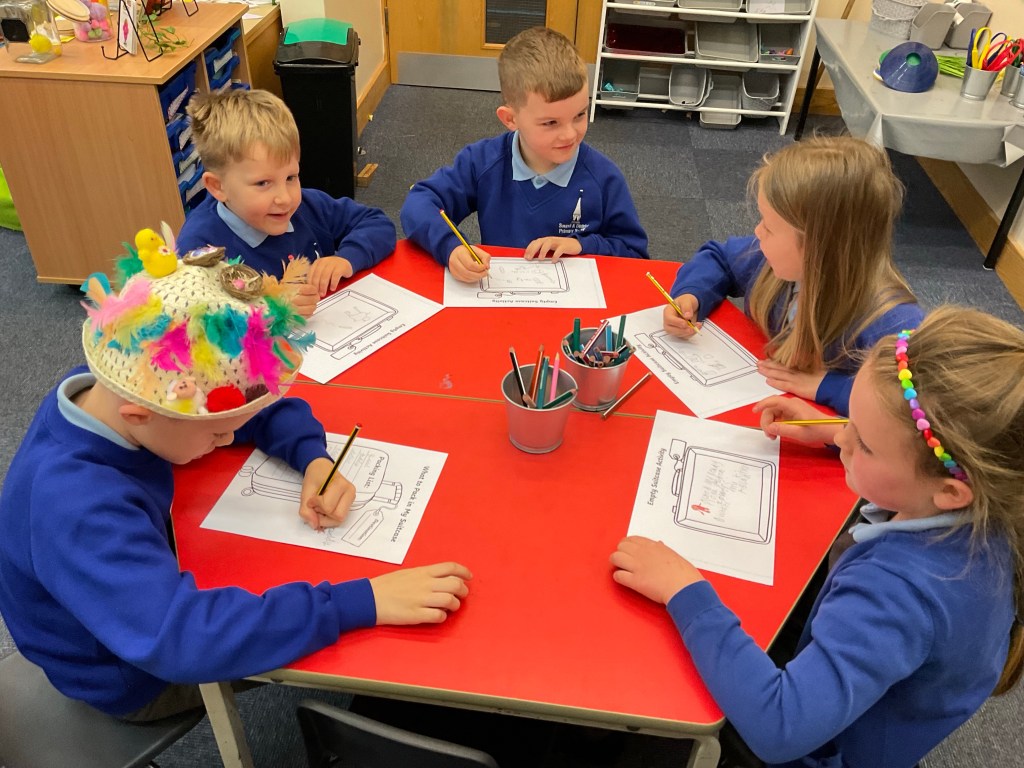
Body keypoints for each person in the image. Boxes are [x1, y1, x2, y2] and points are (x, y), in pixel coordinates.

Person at [0, 240, 470, 722]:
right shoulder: (77, 506)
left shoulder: (123, 381)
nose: (227, 438)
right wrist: (358, 603)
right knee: (376, 644)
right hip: (133, 673)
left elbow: (250, 410)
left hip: (141, 596)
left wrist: (313, 459)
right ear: (140, 415)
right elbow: (183, 641)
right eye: (215, 433)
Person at [611, 306, 1024, 768]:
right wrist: (831, 431)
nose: (844, 439)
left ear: (950, 491)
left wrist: (685, 591)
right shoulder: (990, 506)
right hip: (858, 702)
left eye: (863, 443)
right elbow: (901, 458)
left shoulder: (897, 595)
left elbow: (779, 727)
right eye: (851, 422)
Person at [663, 136, 922, 415]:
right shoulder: (771, 263)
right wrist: (691, 295)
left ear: (819, 247)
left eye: (769, 227)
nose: (758, 232)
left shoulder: (894, 324)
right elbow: (720, 258)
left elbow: (914, 409)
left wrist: (829, 387)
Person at [399, 26, 648, 283]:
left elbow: (634, 254)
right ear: (510, 119)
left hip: (574, 301)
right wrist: (451, 248)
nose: (569, 135)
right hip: (499, 295)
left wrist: (583, 246)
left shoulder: (604, 178)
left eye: (579, 115)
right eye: (550, 123)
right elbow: (418, 204)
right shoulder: (483, 162)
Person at [177, 89, 396, 318]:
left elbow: (377, 223)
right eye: (263, 183)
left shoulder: (308, 207)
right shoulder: (199, 249)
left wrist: (346, 258)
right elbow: (192, 319)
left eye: (291, 177)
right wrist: (268, 309)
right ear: (218, 187)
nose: (285, 198)